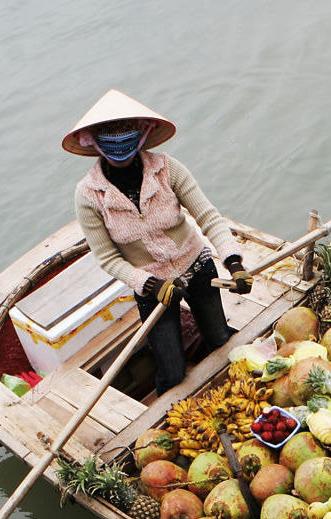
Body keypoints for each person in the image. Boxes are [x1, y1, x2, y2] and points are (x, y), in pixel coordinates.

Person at [62, 89, 254, 394]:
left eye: (125, 130)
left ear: (140, 132)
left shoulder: (167, 169)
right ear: (95, 140)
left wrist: (234, 263)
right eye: (109, 133)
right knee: (172, 369)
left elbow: (209, 217)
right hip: (152, 287)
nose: (118, 138)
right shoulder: (88, 195)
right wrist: (152, 285)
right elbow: (108, 259)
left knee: (220, 338)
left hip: (197, 267)